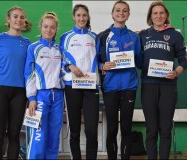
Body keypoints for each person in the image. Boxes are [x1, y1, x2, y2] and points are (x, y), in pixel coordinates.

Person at [139, 1, 187, 159]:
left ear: (166, 15)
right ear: (150, 17)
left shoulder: (175, 35)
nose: (158, 16)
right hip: (148, 85)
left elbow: (184, 60)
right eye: (155, 13)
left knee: (165, 129)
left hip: (168, 87)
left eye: (161, 13)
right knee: (151, 129)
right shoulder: (142, 35)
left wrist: (176, 72)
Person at [96, 0, 142, 159]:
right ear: (112, 13)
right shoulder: (102, 37)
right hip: (110, 87)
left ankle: (125, 157)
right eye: (118, 10)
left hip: (129, 86)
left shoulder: (134, 37)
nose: (121, 13)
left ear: (128, 14)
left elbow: (140, 61)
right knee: (112, 128)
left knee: (127, 127)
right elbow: (95, 62)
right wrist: (103, 65)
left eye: (124, 11)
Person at [0, 6, 31, 159]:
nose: (19, 19)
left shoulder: (28, 43)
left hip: (20, 91)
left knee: (14, 134)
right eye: (15, 16)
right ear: (8, 19)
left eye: (21, 17)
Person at [60, 4, 99, 159]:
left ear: (87, 17)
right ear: (74, 17)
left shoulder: (95, 37)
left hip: (91, 86)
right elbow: (60, 59)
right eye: (78, 15)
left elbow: (101, 58)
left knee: (91, 130)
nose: (82, 18)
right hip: (72, 87)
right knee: (74, 130)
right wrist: (69, 65)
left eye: (84, 15)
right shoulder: (66, 36)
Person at [24, 12, 64, 159]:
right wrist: (32, 97)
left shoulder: (60, 49)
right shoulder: (33, 48)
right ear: (41, 27)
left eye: (52, 27)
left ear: (56, 29)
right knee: (38, 135)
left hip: (58, 96)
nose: (49, 30)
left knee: (54, 135)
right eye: (46, 26)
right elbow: (29, 75)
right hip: (40, 96)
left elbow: (63, 71)